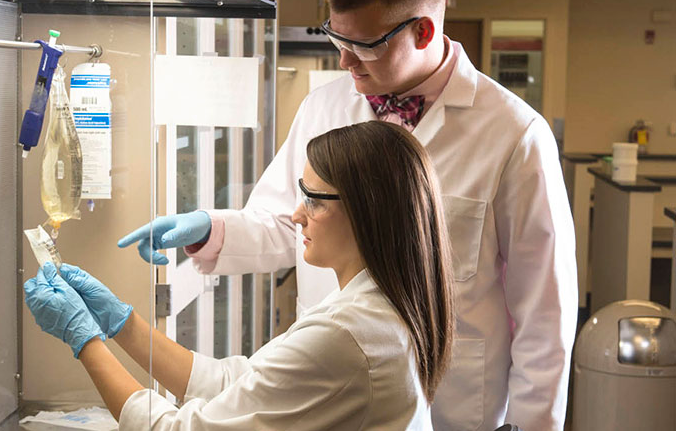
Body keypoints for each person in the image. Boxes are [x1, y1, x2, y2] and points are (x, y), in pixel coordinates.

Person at [118, 0, 578, 430]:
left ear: (422, 31)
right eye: (336, 37)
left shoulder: (514, 134)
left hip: (454, 405)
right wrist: (210, 229)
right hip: (330, 384)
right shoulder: (326, 105)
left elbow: (544, 315)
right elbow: (291, 219)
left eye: (362, 44)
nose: (344, 59)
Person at [24, 121, 455, 429]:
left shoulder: (348, 335)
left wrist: (86, 342)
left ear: (369, 213)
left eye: (315, 201)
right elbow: (240, 382)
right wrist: (121, 323)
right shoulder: (379, 305)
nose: (296, 214)